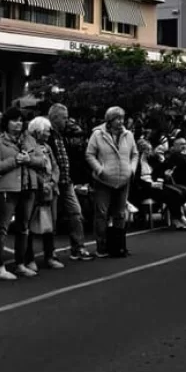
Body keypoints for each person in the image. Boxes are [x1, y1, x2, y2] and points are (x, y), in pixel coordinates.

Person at [0, 107, 44, 280]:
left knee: (23, 227)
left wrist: (29, 159)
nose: (18, 123)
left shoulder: (30, 140)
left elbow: (42, 161)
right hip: (7, 189)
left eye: (20, 120)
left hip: (27, 187)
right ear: (6, 123)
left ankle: (20, 264)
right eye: (14, 120)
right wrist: (15, 161)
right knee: (2, 228)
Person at [85, 106, 138, 258]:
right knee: (102, 213)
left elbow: (135, 154)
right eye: (117, 118)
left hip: (123, 179)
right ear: (109, 120)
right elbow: (89, 154)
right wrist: (100, 170)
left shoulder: (128, 135)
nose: (121, 121)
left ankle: (119, 246)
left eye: (122, 118)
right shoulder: (97, 134)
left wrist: (131, 170)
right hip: (103, 181)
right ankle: (101, 247)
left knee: (120, 213)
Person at [46, 103, 93, 261]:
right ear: (55, 118)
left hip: (66, 181)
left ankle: (78, 247)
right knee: (51, 218)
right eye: (64, 118)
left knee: (76, 213)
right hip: (53, 182)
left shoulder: (62, 135)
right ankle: (50, 252)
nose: (67, 121)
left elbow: (69, 157)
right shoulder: (47, 135)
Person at [21, 116, 65, 272]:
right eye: (46, 131)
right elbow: (29, 167)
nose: (49, 134)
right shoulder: (27, 145)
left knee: (50, 224)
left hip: (50, 190)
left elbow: (55, 166)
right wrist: (43, 183)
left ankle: (50, 255)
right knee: (30, 224)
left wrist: (53, 181)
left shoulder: (47, 146)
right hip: (35, 190)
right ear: (38, 131)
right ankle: (29, 258)